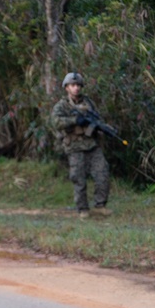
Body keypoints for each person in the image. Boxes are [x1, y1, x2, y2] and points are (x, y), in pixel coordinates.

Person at [51, 72, 112, 219]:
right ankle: (82, 209)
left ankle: (100, 206)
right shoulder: (62, 106)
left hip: (92, 144)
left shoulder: (88, 103)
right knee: (78, 178)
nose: (76, 88)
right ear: (67, 87)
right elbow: (55, 122)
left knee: (102, 173)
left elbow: (97, 118)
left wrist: (103, 127)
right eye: (73, 85)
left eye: (78, 85)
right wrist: (74, 121)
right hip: (74, 146)